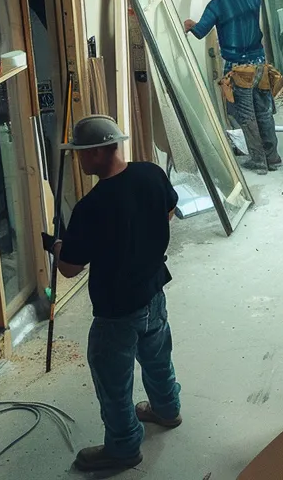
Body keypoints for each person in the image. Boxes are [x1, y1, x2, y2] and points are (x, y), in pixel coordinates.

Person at [50, 116, 183, 471]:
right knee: (156, 355)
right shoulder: (151, 174)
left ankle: (123, 447)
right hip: (154, 292)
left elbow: (70, 268)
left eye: (81, 153)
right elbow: (169, 210)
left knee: (113, 379)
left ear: (95, 153)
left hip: (116, 309)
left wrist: (58, 245)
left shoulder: (90, 208)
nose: (78, 160)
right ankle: (167, 409)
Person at [183, 0, 280, 173]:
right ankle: (273, 157)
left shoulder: (216, 5)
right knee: (264, 111)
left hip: (239, 69)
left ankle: (258, 161)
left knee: (246, 115)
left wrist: (189, 24)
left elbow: (200, 32)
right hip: (260, 64)